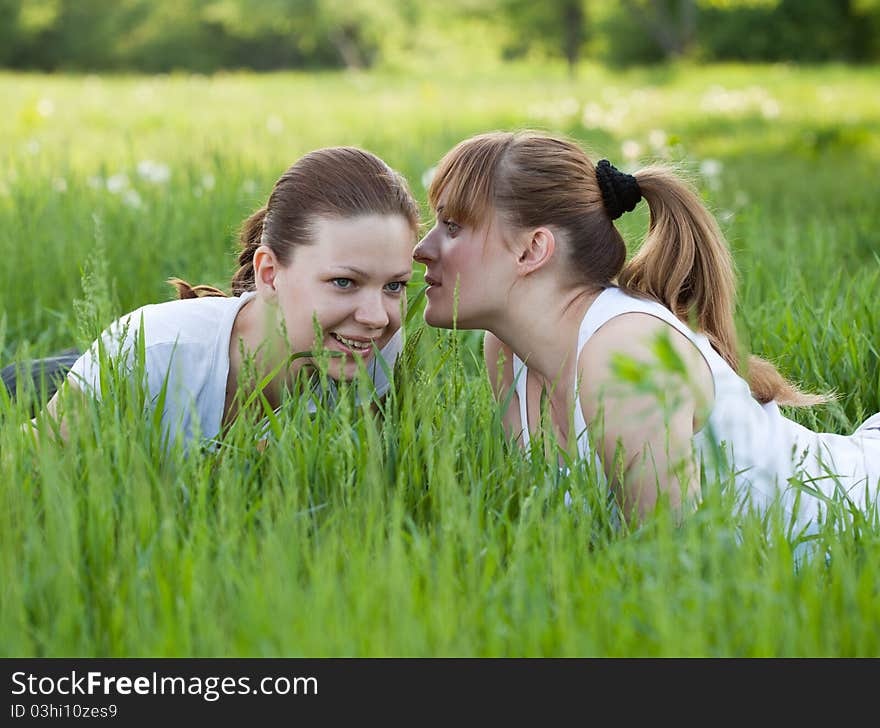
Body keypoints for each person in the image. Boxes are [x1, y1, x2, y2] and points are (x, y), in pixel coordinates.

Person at [413, 130, 880, 532]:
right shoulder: (508, 352)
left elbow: (678, 570)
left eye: (453, 227)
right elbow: (568, 535)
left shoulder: (624, 354)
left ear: (533, 249)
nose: (422, 249)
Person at [24, 146, 420, 450]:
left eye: (394, 286)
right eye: (344, 282)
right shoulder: (146, 350)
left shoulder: (370, 350)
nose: (376, 317)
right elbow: (25, 471)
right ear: (269, 274)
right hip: (41, 386)